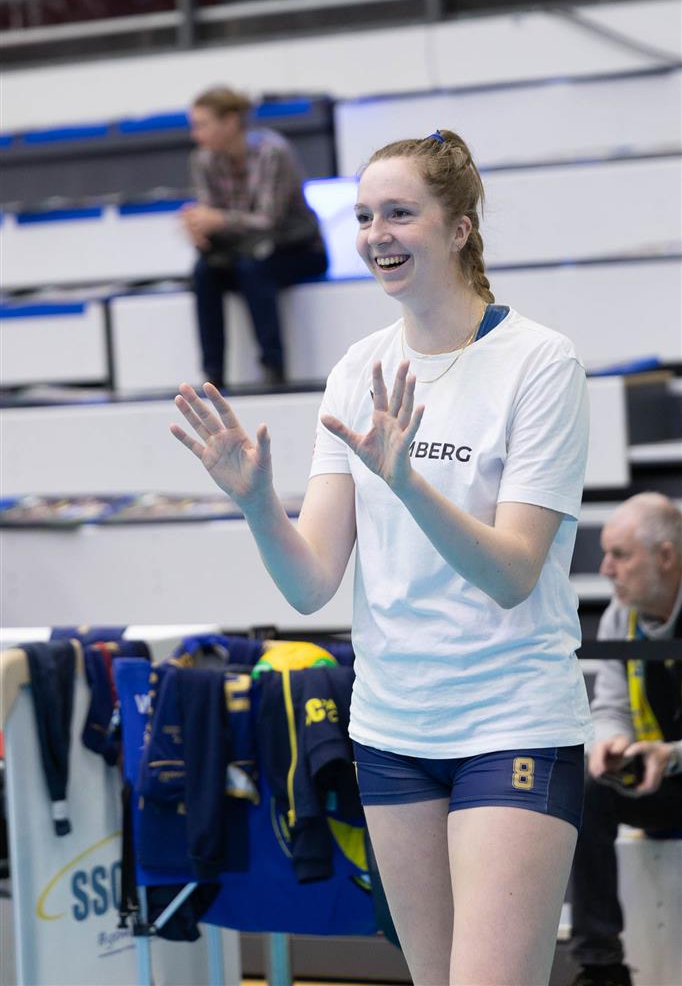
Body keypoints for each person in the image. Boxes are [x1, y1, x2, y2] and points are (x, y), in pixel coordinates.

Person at [171, 128, 593, 985]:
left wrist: (407, 482)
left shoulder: (540, 363)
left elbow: (514, 574)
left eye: (399, 213)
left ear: (460, 228)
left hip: (512, 720)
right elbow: (310, 583)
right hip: (393, 731)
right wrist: (258, 504)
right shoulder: (356, 369)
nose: (376, 235)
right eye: (364, 216)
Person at [570, 492, 682, 986]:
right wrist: (611, 743)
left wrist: (671, 755)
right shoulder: (624, 613)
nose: (606, 569)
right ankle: (602, 966)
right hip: (663, 782)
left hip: (671, 765)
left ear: (666, 556)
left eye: (620, 555)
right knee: (587, 786)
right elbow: (611, 705)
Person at [180, 87, 328, 388]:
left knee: (253, 268)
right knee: (203, 271)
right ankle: (212, 375)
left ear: (231, 121)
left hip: (298, 249)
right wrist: (200, 229)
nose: (196, 135)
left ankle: (273, 368)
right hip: (245, 250)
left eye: (202, 125)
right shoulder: (202, 159)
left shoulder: (272, 152)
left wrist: (218, 220)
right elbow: (213, 216)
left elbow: (269, 220)